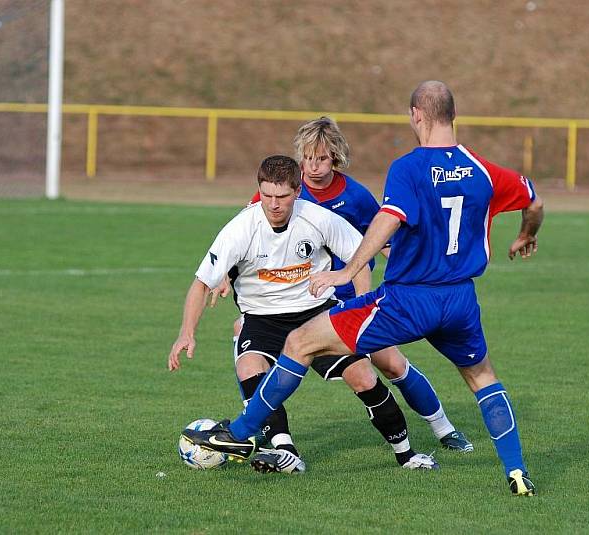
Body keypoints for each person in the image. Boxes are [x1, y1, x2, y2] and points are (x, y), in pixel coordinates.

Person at [183, 81, 545, 497]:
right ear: (453, 115)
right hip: (461, 299)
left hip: (408, 298)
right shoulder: (484, 170)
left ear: (416, 116)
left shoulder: (408, 169)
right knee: (483, 378)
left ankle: (241, 433)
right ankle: (516, 472)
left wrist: (347, 271)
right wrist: (525, 234)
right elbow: (533, 201)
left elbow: (389, 219)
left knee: (301, 341)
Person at [214, 117, 472, 454]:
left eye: (321, 158)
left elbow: (386, 238)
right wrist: (224, 275)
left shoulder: (356, 197)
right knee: (246, 339)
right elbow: (245, 238)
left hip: (349, 298)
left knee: (391, 362)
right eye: (307, 158)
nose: (313, 166)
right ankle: (266, 431)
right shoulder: (286, 189)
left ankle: (444, 428)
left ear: (335, 157)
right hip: (301, 301)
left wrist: (393, 282)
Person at [169, 155, 438, 474]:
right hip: (262, 319)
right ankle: (286, 452)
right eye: (267, 195)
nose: (273, 204)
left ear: (297, 191)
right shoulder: (240, 228)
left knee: (363, 376)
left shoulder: (318, 219)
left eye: (281, 196)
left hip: (316, 315)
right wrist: (187, 332)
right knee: (250, 370)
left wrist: (362, 307)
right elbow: (201, 283)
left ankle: (406, 454)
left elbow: (360, 259)